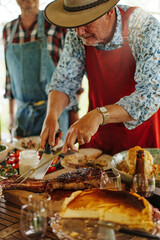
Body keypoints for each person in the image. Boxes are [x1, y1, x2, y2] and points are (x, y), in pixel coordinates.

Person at [40, 0, 160, 155]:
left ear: (109, 12)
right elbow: (64, 81)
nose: (79, 32)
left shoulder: (145, 27)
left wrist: (100, 115)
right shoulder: (79, 32)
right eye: (75, 24)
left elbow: (150, 95)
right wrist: (52, 116)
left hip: (140, 136)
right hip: (98, 133)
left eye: (87, 23)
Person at [3, 0, 79, 140]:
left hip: (55, 115)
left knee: (54, 159)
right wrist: (12, 117)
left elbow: (72, 73)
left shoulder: (57, 24)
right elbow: (10, 76)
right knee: (24, 159)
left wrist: (74, 114)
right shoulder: (8, 29)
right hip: (23, 116)